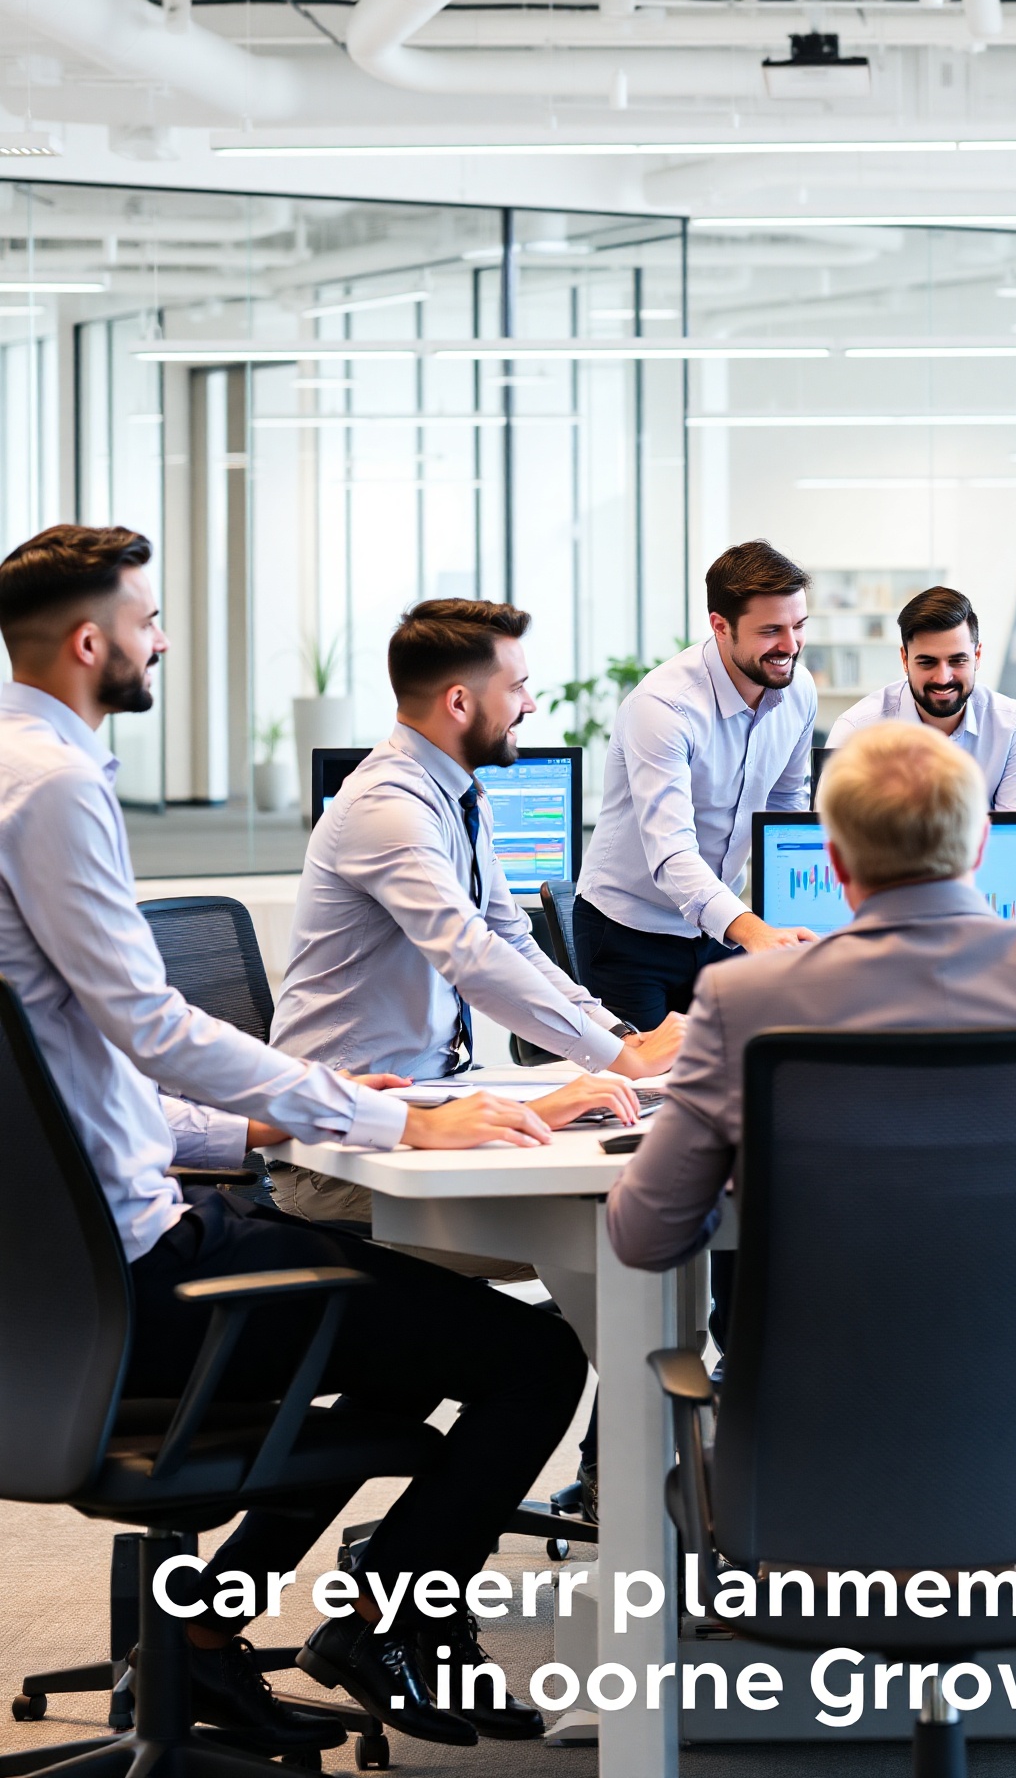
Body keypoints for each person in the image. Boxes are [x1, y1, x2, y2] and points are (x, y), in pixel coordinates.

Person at [0, 524, 585, 1750]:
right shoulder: (55, 786)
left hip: (75, 1272)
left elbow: (74, 1072)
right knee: (532, 1362)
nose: (163, 638)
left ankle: (211, 1628)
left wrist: (263, 1113)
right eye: (150, 619)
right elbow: (150, 1023)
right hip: (138, 1274)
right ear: (93, 639)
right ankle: (382, 1619)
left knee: (403, 1330)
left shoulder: (12, 769)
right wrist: (385, 1116)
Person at [608, 720, 1016, 1272]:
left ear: (836, 861)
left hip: (818, 1356)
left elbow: (646, 1236)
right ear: (982, 843)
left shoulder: (743, 999)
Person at [270, 598, 675, 1234]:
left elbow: (510, 938)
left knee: (631, 1211)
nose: (531, 706)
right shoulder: (389, 809)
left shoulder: (458, 793)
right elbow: (472, 959)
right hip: (340, 1157)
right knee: (615, 1237)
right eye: (517, 688)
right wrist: (617, 1060)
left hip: (426, 1102)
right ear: (459, 703)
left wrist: (620, 1039)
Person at [576, 540, 819, 1029]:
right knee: (645, 1090)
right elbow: (671, 854)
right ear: (720, 626)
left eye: (798, 627)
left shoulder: (798, 690)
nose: (790, 646)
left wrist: (788, 920)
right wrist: (752, 930)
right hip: (629, 932)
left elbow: (785, 808)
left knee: (734, 1073)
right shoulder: (664, 707)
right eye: (771, 630)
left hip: (719, 931)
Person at [825, 585, 1016, 809]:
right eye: (927, 662)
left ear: (977, 656)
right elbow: (828, 834)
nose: (943, 678)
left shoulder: (1010, 723)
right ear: (904, 659)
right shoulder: (856, 731)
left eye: (958, 661)